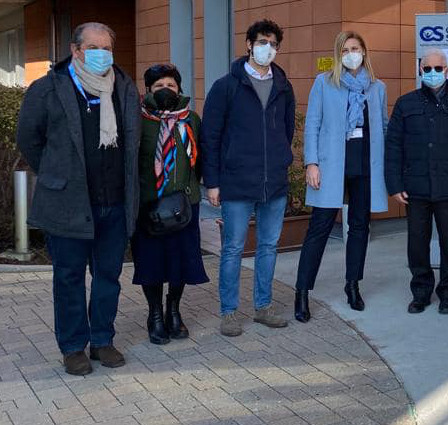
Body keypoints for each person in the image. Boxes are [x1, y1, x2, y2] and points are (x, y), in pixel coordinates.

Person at [16, 22, 140, 375]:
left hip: (114, 202)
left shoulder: (124, 88)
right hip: (68, 203)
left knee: (108, 276)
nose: (102, 54)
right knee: (68, 277)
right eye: (93, 48)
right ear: (75, 50)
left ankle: (102, 340)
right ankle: (73, 347)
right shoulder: (48, 88)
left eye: (107, 48)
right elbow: (29, 139)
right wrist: (56, 174)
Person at [201, 19, 295, 336]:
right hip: (237, 181)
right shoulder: (226, 86)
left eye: (273, 44)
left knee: (268, 246)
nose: (268, 48)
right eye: (262, 42)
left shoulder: (283, 86)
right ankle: (229, 312)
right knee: (233, 248)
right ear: (249, 45)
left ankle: (263, 306)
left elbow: (286, 130)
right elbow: (210, 136)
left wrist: (281, 159)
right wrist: (212, 182)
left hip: (274, 182)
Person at [295, 31, 389, 320]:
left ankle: (352, 285)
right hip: (331, 165)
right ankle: (302, 291)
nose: (351, 54)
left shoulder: (377, 87)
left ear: (364, 51)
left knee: (359, 228)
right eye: (345, 50)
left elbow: (383, 126)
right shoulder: (324, 83)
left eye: (355, 48)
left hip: (365, 166)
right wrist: (311, 163)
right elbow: (312, 124)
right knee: (319, 228)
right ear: (338, 54)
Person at [386, 48, 448, 315]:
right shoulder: (406, 104)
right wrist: (394, 184)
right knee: (417, 243)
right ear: (420, 70)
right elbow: (393, 146)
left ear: (447, 70)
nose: (432, 73)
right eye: (427, 68)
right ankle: (421, 293)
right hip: (415, 187)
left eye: (438, 68)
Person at [132, 64, 209, 345]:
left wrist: (193, 188)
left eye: (171, 85)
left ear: (179, 89)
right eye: (159, 86)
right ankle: (154, 314)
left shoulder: (191, 120)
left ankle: (173, 310)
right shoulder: (138, 120)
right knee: (151, 263)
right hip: (148, 207)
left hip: (183, 206)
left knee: (181, 262)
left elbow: (200, 159)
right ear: (148, 90)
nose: (166, 90)